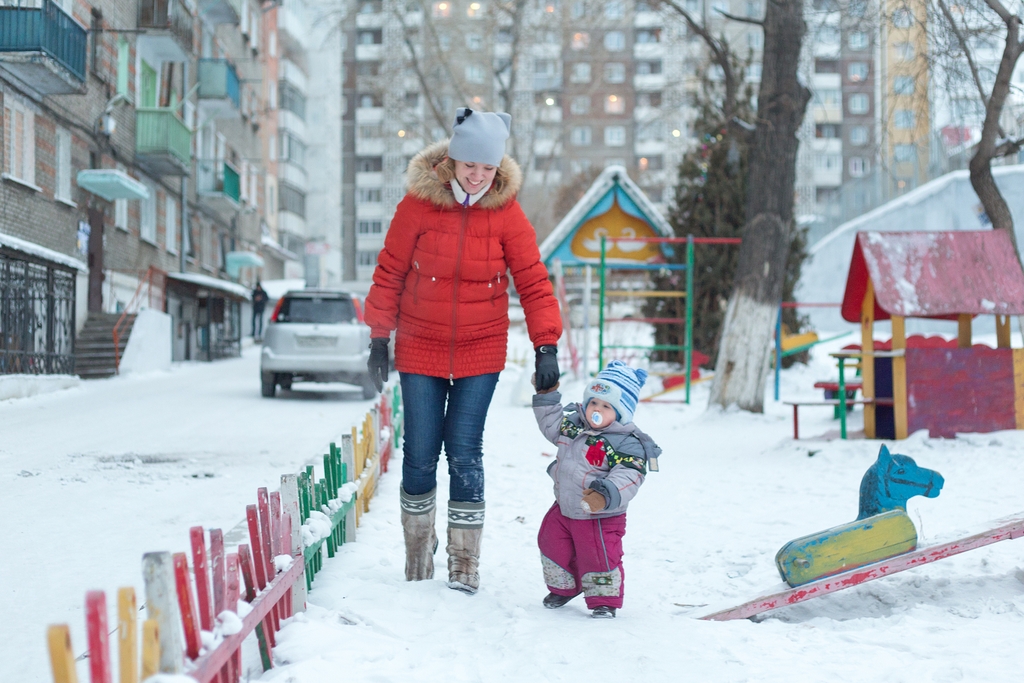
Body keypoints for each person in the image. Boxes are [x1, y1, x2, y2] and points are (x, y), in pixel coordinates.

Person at [363, 108, 563, 594]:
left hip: (480, 347)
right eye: (470, 164)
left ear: (498, 169)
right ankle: (417, 549)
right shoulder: (417, 206)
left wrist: (546, 345)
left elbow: (533, 281)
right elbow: (390, 271)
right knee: (419, 453)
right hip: (420, 345)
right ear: (452, 159)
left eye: (488, 168)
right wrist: (377, 339)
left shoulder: (506, 212)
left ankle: (464, 559)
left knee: (465, 453)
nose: (477, 176)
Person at [532, 360, 661, 618]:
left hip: (600, 515)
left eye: (605, 406)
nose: (596, 410)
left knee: (599, 557)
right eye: (593, 402)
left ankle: (604, 600)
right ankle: (564, 588)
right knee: (550, 542)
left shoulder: (626, 442)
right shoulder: (573, 425)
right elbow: (550, 425)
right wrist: (546, 396)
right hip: (565, 506)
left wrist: (606, 493)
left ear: (621, 412)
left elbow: (630, 474)